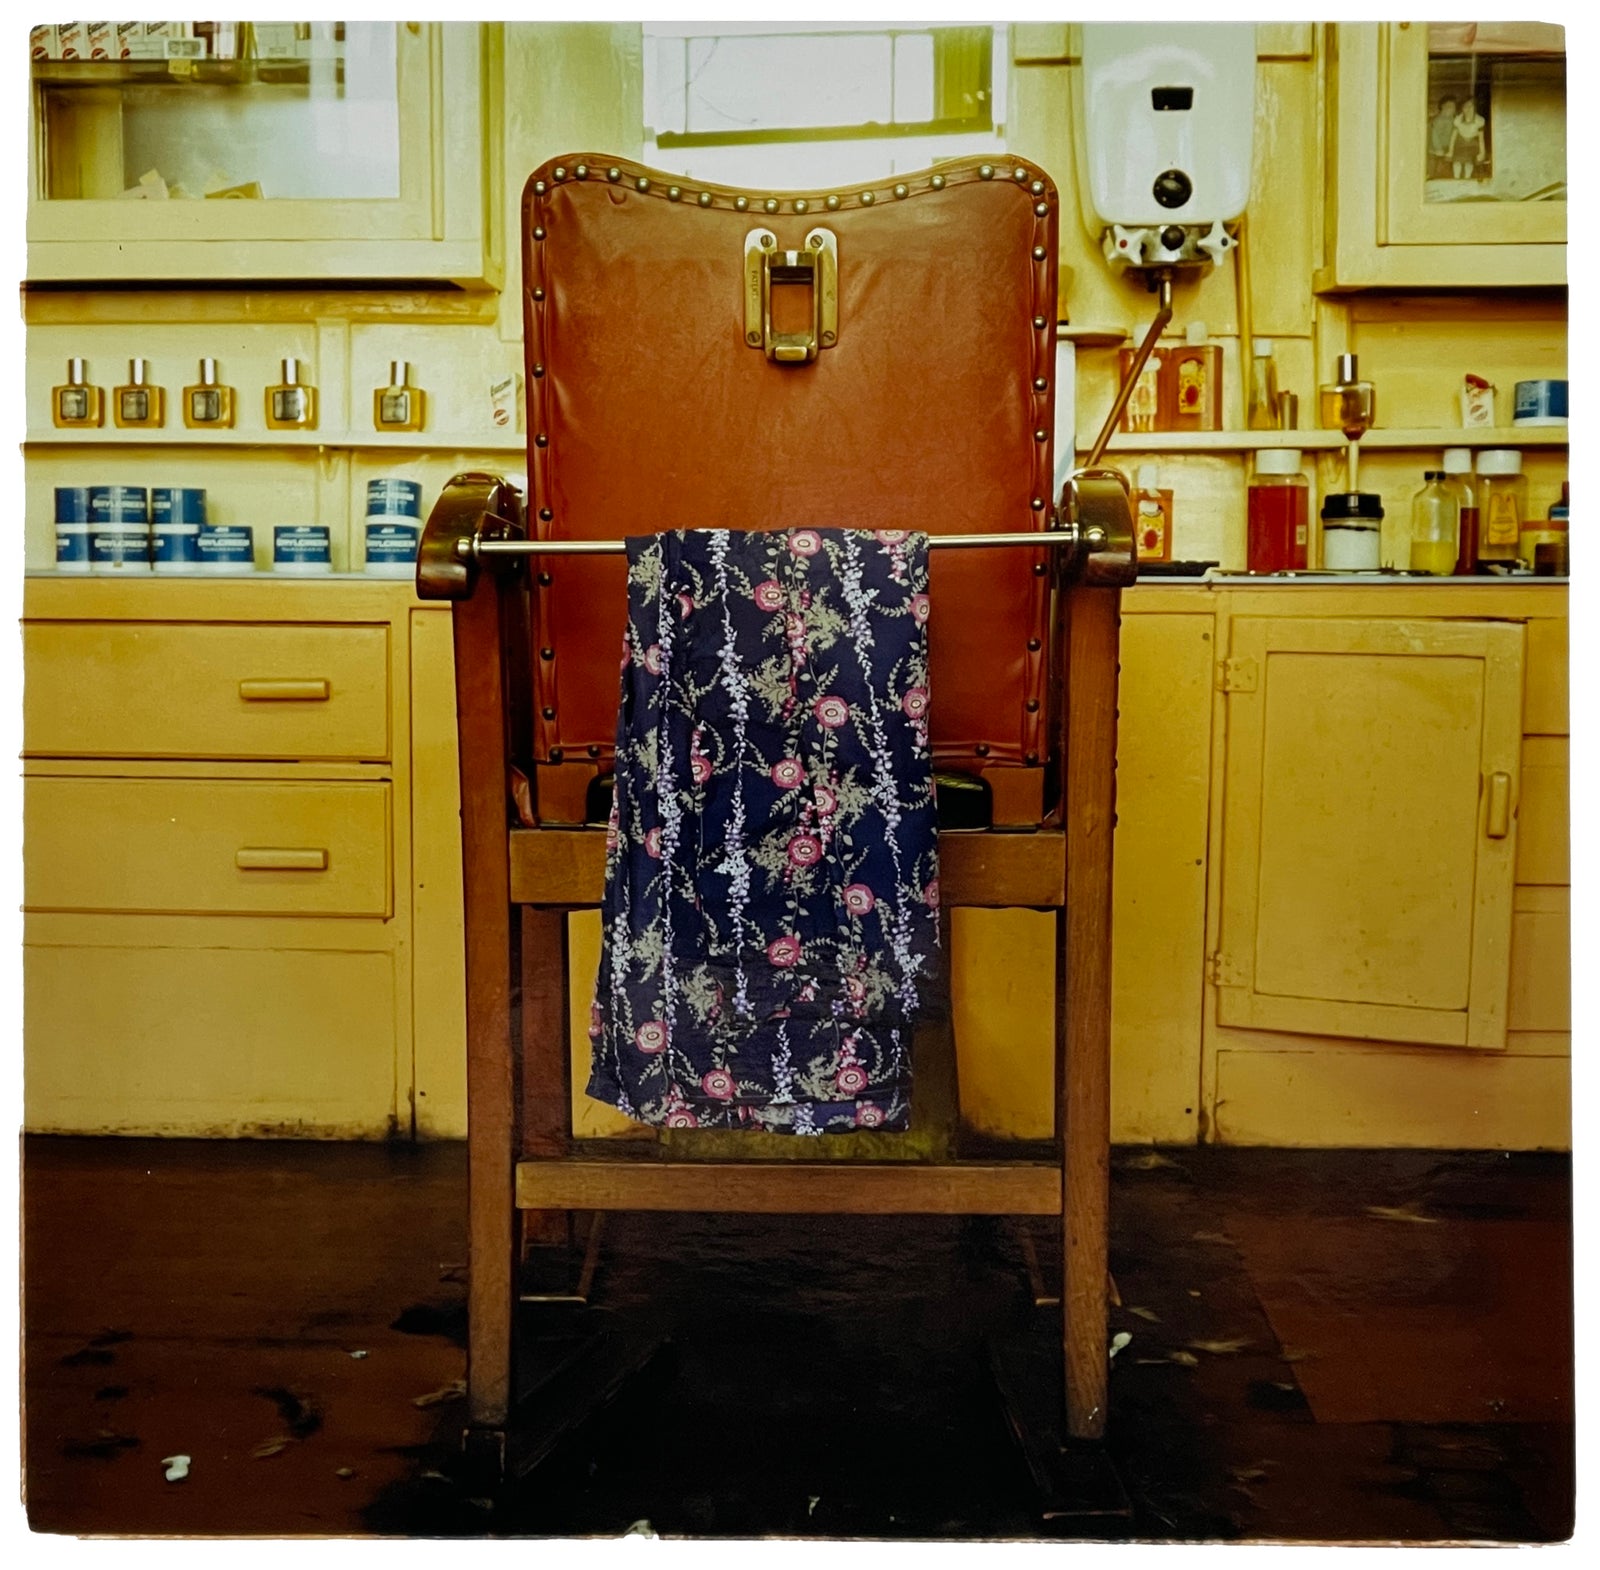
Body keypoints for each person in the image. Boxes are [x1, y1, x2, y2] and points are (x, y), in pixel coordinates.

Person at [1451, 99, 1487, 181]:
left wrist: (1482, 152)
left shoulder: (1479, 120)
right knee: (1457, 161)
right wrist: (1450, 150)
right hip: (1460, 143)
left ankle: (1467, 179)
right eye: (1466, 107)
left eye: (1471, 106)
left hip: (1472, 143)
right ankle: (1456, 178)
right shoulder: (1458, 120)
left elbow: (1481, 139)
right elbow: (1453, 137)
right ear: (1462, 109)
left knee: (1469, 161)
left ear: (1475, 108)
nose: (1468, 109)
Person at [1429, 96, 1457, 179]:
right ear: (1442, 107)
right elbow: (1435, 137)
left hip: (1449, 147)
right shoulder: (1438, 120)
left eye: (1453, 107)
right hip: (1437, 147)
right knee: (1437, 162)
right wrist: (1438, 149)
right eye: (1449, 106)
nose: (1452, 109)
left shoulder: (1453, 119)